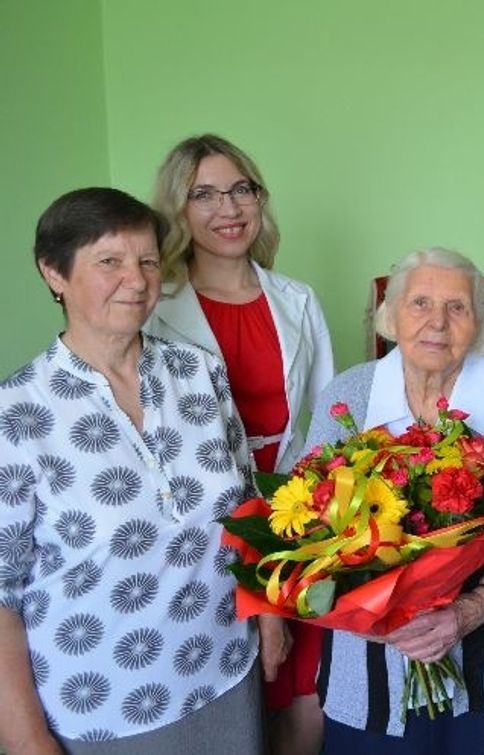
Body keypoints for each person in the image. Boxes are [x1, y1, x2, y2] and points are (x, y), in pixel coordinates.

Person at [0, 187, 286, 754]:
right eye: (110, 261)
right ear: (54, 273)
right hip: (103, 708)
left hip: (227, 670)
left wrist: (270, 616)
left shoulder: (197, 370)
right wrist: (27, 741)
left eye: (148, 261)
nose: (136, 279)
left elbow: (249, 504)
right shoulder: (17, 416)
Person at [308, 248, 484, 754]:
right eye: (420, 303)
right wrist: (379, 619)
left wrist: (473, 606)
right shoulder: (349, 394)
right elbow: (310, 526)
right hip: (369, 659)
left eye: (457, 307)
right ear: (391, 314)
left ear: (479, 323)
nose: (437, 323)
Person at [145, 134, 334, 755]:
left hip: (294, 507)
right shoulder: (153, 307)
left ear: (259, 199)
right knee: (232, 685)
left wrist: (326, 513)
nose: (228, 209)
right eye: (203, 195)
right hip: (200, 521)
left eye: (240, 189)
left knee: (306, 686)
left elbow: (330, 414)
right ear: (178, 211)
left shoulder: (297, 299)